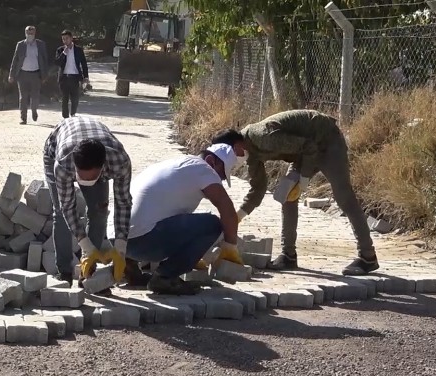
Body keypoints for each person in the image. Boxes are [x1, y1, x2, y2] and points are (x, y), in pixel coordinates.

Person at [212, 109, 379, 276]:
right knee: (287, 195)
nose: (232, 162)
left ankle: (367, 257)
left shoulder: (263, 137)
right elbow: (258, 188)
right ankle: (288, 255)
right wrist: (237, 217)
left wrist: (304, 179)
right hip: (304, 153)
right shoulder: (250, 154)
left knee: (344, 198)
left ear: (236, 146)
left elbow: (310, 146)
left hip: (326, 141)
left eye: (229, 156)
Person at [126, 145, 244, 295]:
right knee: (212, 225)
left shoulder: (172, 165)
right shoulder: (203, 169)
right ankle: (165, 278)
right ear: (211, 161)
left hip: (118, 241)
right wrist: (230, 246)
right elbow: (227, 209)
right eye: (220, 175)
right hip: (142, 242)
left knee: (150, 216)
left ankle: (129, 268)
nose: (220, 181)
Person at [43, 116, 132, 289]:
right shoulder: (63, 164)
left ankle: (89, 274)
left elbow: (123, 203)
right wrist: (86, 246)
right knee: (60, 214)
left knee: (99, 212)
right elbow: (68, 207)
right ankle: (64, 273)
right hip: (54, 148)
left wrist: (120, 248)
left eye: (91, 177)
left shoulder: (119, 162)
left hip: (100, 153)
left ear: (102, 168)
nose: (84, 181)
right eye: (81, 176)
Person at [8, 25, 49, 125]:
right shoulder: (20, 45)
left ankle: (34, 110)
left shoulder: (40, 44)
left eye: (32, 33)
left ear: (35, 33)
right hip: (22, 74)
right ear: (25, 33)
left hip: (36, 74)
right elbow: (15, 60)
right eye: (28, 33)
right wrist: (11, 75)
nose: (30, 35)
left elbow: (45, 60)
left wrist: (44, 75)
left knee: (35, 96)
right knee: (23, 97)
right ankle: (23, 118)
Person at [54, 30, 89, 119]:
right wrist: (64, 53)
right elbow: (57, 63)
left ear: (71, 38)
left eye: (67, 38)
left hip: (75, 77)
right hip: (64, 77)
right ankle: (65, 117)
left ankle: (73, 114)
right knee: (64, 98)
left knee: (75, 98)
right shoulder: (60, 50)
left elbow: (84, 64)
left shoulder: (78, 50)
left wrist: (86, 77)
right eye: (63, 39)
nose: (65, 41)